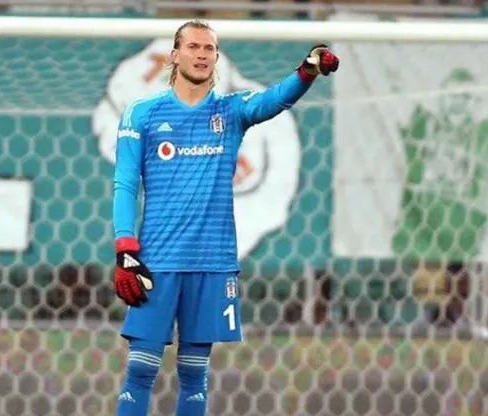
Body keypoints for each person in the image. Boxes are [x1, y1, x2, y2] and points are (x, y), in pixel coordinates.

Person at [111, 19, 339, 416]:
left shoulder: (230, 111)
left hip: (212, 263)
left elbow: (275, 99)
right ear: (174, 54)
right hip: (157, 263)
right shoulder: (142, 114)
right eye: (194, 46)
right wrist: (125, 247)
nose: (201, 54)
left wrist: (307, 71)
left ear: (216, 58)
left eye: (209, 49)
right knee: (140, 370)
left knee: (195, 374)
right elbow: (126, 183)